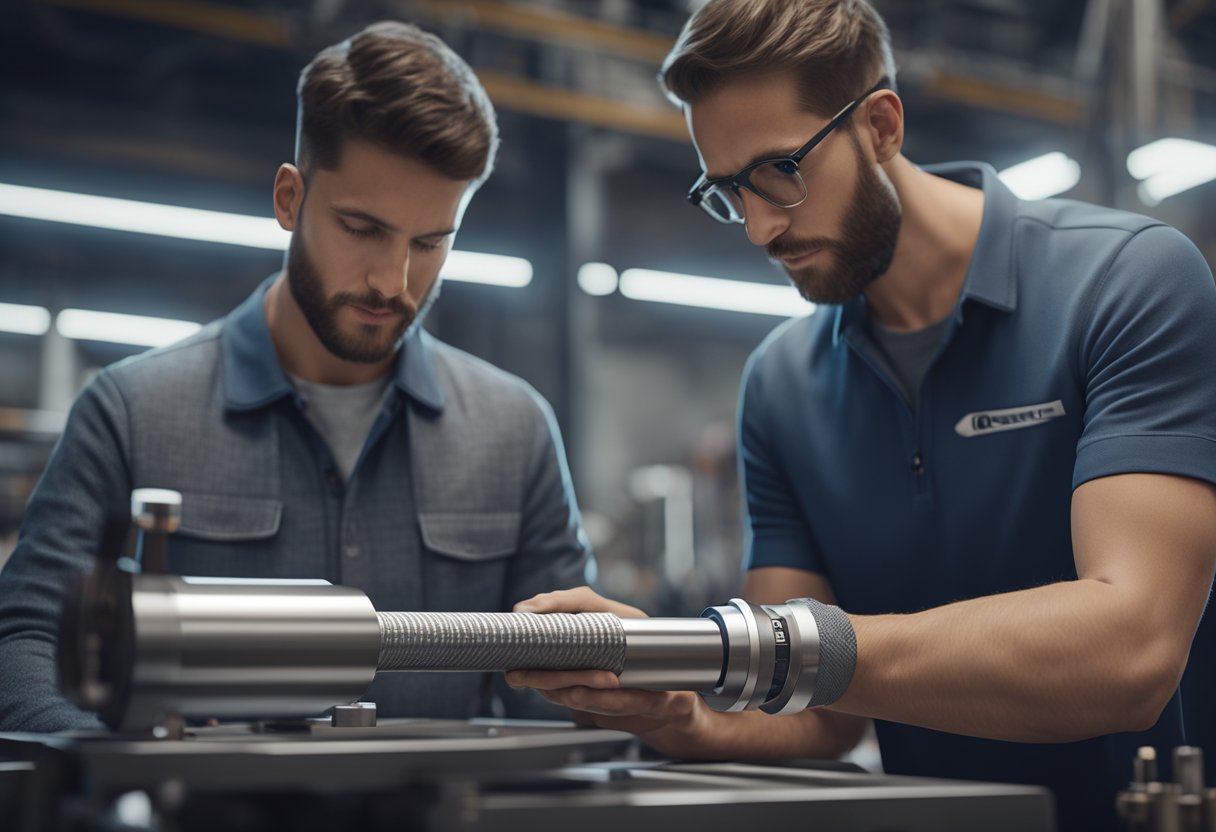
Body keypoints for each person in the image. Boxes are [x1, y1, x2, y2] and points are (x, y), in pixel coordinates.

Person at [505, 1, 1216, 828]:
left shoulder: (1126, 284)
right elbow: (816, 716)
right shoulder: (781, 383)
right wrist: (680, 707)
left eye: (780, 169)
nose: (761, 227)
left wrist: (767, 646)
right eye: (729, 191)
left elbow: (1130, 651)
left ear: (880, 125)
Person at [0, 21, 592, 731]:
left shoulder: (516, 431)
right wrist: (125, 766)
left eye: (430, 242)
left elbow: (567, 687)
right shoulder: (129, 413)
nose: (392, 280)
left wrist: (613, 682)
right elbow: (25, 645)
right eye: (362, 227)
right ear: (290, 199)